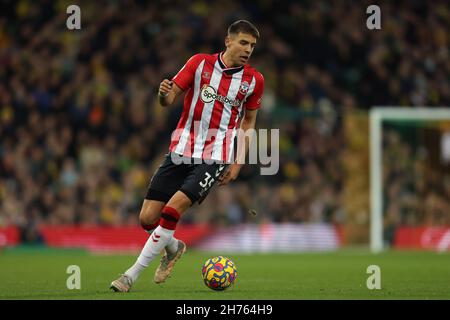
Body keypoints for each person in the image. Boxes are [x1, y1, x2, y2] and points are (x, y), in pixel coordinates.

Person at [110, 20, 264, 292]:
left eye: (252, 45)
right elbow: (168, 100)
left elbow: (248, 123)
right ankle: (173, 246)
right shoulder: (199, 63)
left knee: (172, 210)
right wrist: (162, 95)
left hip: (217, 155)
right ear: (228, 41)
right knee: (147, 219)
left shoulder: (253, 81)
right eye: (243, 42)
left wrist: (238, 161)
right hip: (181, 149)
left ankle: (130, 276)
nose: (248, 49)